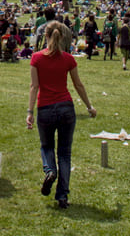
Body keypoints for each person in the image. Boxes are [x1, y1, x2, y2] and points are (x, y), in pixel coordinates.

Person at [27, 21, 97, 209]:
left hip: (45, 108)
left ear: (46, 36)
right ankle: (62, 196)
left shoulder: (36, 58)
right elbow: (78, 84)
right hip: (66, 107)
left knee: (46, 147)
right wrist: (89, 106)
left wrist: (29, 112)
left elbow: (34, 87)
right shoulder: (68, 59)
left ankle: (50, 171)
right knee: (65, 154)